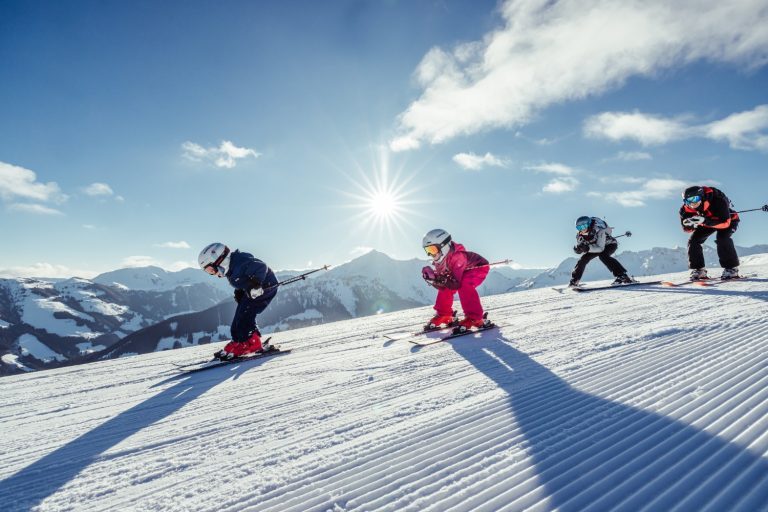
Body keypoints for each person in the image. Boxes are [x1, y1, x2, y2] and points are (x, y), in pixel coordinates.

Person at [198, 242, 279, 360]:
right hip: (252, 291)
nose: (213, 274)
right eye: (209, 272)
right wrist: (241, 291)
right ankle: (239, 340)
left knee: (244, 316)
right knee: (239, 317)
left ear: (219, 260)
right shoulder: (231, 267)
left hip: (265, 288)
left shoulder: (239, 263)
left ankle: (249, 343)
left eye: (211, 270)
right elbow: (243, 278)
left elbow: (261, 267)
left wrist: (256, 285)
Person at [420, 229, 491, 332]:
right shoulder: (439, 261)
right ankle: (444, 314)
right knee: (446, 287)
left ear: (444, 246)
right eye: (428, 251)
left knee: (464, 284)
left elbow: (455, 284)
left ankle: (475, 318)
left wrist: (439, 279)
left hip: (477, 268)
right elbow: (443, 286)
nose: (431, 254)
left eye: (433, 249)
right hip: (460, 271)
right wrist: (432, 279)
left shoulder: (458, 256)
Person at [679, 185, 740, 280]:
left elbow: (725, 224)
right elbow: (686, 230)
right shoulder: (685, 210)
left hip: (727, 220)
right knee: (693, 241)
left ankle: (731, 269)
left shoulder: (717, 201)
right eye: (688, 201)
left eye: (695, 198)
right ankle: (699, 270)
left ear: (701, 196)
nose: (692, 203)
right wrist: (690, 225)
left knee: (722, 238)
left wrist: (704, 221)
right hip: (706, 224)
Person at [569, 216, 634, 288]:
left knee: (603, 256)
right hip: (594, 247)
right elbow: (583, 247)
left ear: (589, 224)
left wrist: (587, 248)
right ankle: (575, 280)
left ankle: (622, 276)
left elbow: (600, 248)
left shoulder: (599, 230)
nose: (582, 229)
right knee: (583, 259)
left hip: (609, 244)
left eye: (584, 226)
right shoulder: (579, 236)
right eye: (579, 228)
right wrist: (579, 250)